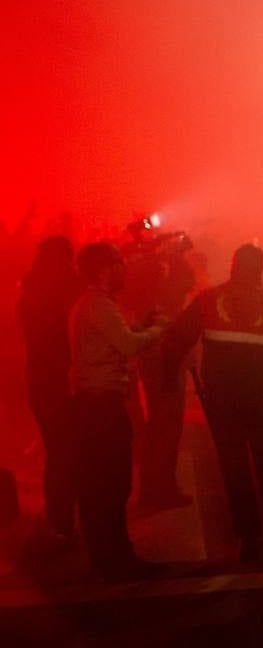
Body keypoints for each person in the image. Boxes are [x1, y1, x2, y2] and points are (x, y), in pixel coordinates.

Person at [162, 244, 263, 562]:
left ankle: (249, 539)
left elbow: (175, 340)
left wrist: (165, 383)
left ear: (232, 267)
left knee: (234, 468)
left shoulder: (208, 301)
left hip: (222, 401)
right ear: (259, 270)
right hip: (258, 399)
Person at [69, 242, 163, 580]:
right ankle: (112, 559)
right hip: (100, 407)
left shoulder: (97, 305)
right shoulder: (97, 305)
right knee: (109, 483)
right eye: (119, 263)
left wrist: (140, 327)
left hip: (97, 404)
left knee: (108, 483)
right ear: (104, 270)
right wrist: (156, 331)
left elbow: (119, 338)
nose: (125, 269)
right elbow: (127, 344)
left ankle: (112, 555)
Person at [121, 221, 196, 510]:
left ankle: (154, 486)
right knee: (166, 423)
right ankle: (158, 488)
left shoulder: (138, 271)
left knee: (159, 422)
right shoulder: (154, 274)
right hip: (164, 353)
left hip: (153, 353)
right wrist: (176, 259)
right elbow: (178, 291)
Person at [16, 236, 83, 541]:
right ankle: (62, 519)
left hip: (39, 377)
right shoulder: (63, 292)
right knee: (65, 451)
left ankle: (60, 516)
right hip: (59, 378)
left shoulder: (29, 290)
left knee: (58, 450)